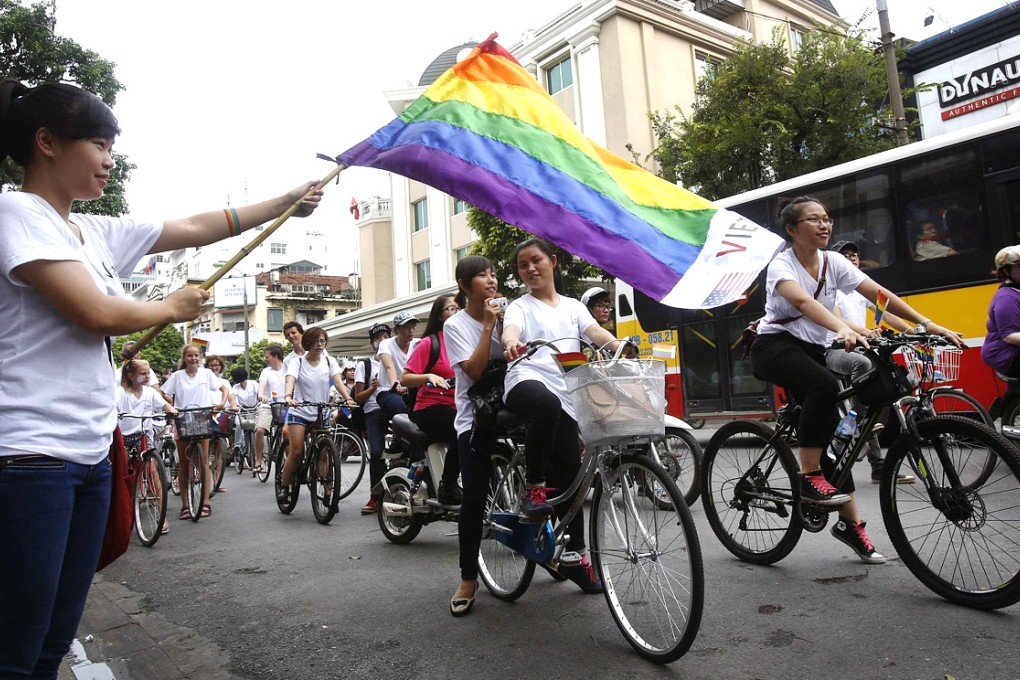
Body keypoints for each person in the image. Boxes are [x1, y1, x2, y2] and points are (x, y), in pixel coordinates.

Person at [0, 78, 323, 677]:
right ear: (46, 142)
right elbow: (94, 312)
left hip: (91, 453)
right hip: (29, 458)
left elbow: (197, 226)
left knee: (52, 639)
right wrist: (169, 309)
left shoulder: (91, 232)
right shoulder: (16, 211)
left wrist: (283, 202)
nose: (108, 158)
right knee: (17, 645)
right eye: (97, 143)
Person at [749, 196, 960, 564]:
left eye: (826, 218)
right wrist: (843, 327)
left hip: (811, 350)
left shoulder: (833, 263)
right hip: (775, 346)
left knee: (839, 445)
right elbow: (804, 305)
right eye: (813, 220)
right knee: (825, 386)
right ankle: (808, 475)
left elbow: (878, 294)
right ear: (792, 230)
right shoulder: (781, 266)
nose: (824, 225)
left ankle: (849, 524)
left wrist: (927, 324)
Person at [502, 237, 619, 594]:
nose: (530, 269)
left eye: (536, 261)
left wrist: (615, 344)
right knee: (546, 405)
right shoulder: (519, 307)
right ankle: (534, 488)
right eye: (523, 266)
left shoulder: (572, 306)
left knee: (572, 477)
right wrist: (511, 344)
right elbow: (512, 331)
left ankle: (574, 559)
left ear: (552, 261)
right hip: (527, 379)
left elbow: (593, 331)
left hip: (568, 391)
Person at [442, 255, 505, 615]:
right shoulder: (456, 325)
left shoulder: (509, 312)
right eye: (482, 275)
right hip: (474, 420)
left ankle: (560, 554)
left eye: (493, 273)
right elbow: (477, 372)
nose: (491, 280)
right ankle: (468, 576)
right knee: (476, 496)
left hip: (510, 409)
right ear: (466, 287)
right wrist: (488, 327)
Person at [824, 240, 915, 485]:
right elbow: (838, 321)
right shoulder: (832, 289)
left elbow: (887, 313)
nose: (852, 258)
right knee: (866, 402)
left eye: (854, 255)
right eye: (845, 255)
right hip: (840, 349)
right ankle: (871, 459)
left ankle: (859, 443)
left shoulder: (857, 289)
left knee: (870, 403)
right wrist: (866, 331)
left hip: (862, 347)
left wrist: (913, 331)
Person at [279, 328, 356, 504]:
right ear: (308, 343)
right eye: (316, 341)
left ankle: (328, 492)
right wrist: (288, 397)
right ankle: (284, 486)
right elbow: (290, 380)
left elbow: (337, 381)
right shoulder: (297, 362)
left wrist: (348, 398)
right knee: (297, 451)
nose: (320, 345)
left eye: (322, 341)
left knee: (324, 453)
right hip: (300, 411)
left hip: (321, 412)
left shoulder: (329, 361)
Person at [400, 293, 462, 506]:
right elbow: (405, 378)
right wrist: (428, 376)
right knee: (463, 430)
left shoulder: (466, 339)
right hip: (431, 407)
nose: (457, 312)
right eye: (451, 308)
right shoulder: (429, 343)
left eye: (459, 308)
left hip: (459, 404)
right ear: (440, 316)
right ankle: (448, 485)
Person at [163, 344, 230, 517]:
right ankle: (185, 505)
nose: (193, 358)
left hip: (202, 417)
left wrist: (222, 403)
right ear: (184, 358)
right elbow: (163, 392)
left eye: (196, 355)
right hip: (183, 419)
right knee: (184, 464)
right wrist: (171, 405)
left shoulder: (207, 374)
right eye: (190, 355)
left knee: (204, 461)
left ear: (200, 357)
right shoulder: (177, 376)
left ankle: (205, 501)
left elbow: (224, 389)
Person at [116, 359, 177, 535]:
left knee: (153, 472)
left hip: (144, 435)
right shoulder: (120, 393)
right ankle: (121, 516)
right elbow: (113, 407)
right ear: (130, 375)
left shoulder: (150, 392)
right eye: (143, 373)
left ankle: (161, 515)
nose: (147, 376)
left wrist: (170, 409)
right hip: (125, 438)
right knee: (122, 474)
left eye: (147, 373)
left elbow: (163, 404)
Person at [355, 323, 391, 515]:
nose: (382, 340)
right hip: (374, 411)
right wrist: (373, 388)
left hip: (395, 408)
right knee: (377, 451)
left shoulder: (396, 360)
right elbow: (358, 397)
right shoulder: (365, 365)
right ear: (372, 343)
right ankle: (375, 496)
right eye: (378, 338)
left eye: (386, 336)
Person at [982, 246, 1020, 380]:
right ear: (1006, 271)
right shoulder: (1006, 297)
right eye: (1019, 266)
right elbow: (1010, 336)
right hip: (1006, 354)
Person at [376, 311, 420, 419]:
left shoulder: (418, 343)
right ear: (396, 330)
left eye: (413, 327)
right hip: (388, 391)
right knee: (404, 409)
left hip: (411, 392)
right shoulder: (386, 344)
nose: (411, 330)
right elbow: (389, 367)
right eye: (406, 327)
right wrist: (395, 384)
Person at [254, 343, 287, 473]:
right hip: (267, 406)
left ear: (275, 357)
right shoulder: (266, 372)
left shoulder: (287, 369)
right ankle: (258, 459)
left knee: (287, 432)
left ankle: (287, 459)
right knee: (260, 430)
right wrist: (261, 395)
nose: (265, 359)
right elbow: (262, 385)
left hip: (285, 406)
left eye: (267, 356)